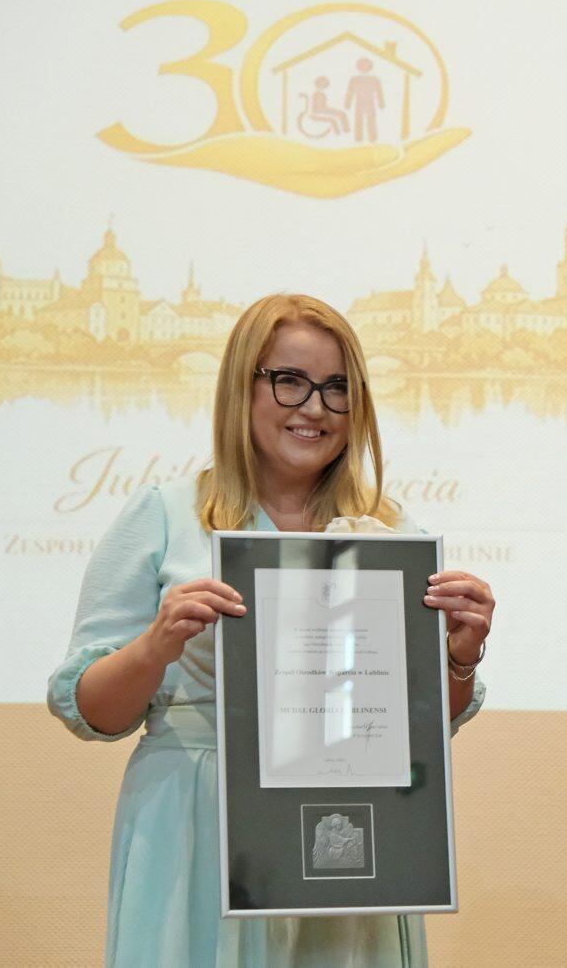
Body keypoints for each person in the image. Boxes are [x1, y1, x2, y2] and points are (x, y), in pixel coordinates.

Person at [47, 294, 496, 966]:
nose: (315, 407)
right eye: (290, 380)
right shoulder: (166, 514)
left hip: (348, 822)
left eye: (338, 387)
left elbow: (425, 727)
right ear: (243, 386)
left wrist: (460, 656)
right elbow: (88, 711)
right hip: (197, 824)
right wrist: (155, 646)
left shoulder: (389, 532)